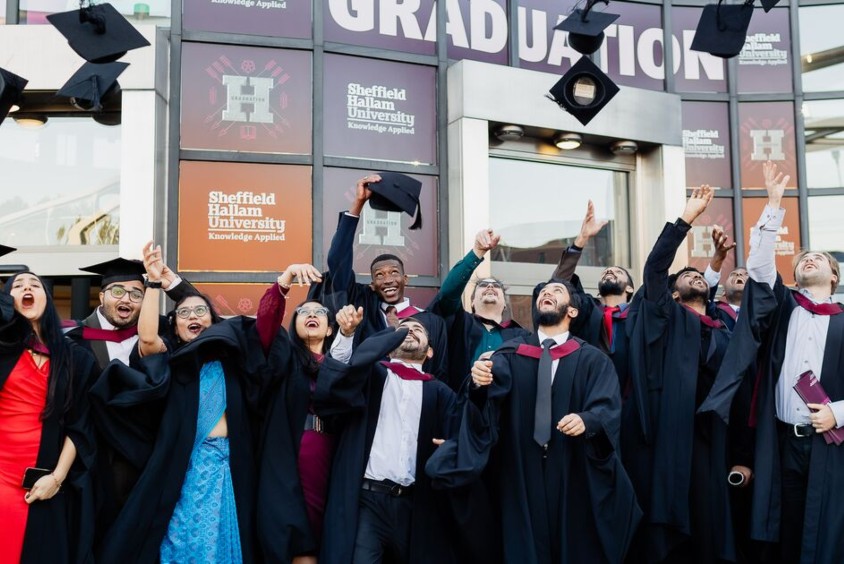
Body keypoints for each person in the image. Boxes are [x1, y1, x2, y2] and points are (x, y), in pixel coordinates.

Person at [429, 279, 641, 563]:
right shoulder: (510, 353)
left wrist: (587, 420)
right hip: (519, 468)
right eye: (542, 292)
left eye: (556, 291)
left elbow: (607, 406)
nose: (546, 294)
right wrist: (479, 383)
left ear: (573, 311)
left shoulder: (593, 360)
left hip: (571, 468)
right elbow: (487, 403)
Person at [89, 249, 276, 563]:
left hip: (227, 468)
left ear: (214, 321)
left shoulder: (231, 355)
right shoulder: (173, 360)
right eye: (184, 314)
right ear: (173, 326)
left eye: (201, 312)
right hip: (184, 466)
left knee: (222, 539)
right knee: (179, 537)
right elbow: (147, 337)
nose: (193, 317)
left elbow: (221, 317)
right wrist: (151, 283)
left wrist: (172, 280)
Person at [701, 161, 844, 564]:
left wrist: (837, 412)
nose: (809, 260)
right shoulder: (784, 305)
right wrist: (774, 205)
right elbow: (762, 268)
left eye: (818, 258)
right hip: (782, 441)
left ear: (834, 275)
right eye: (803, 259)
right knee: (786, 531)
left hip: (833, 443)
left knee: (830, 532)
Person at [623, 185, 736, 563]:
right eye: (686, 276)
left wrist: (717, 261)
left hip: (708, 442)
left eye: (699, 276)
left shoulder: (722, 329)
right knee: (667, 535)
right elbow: (656, 268)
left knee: (708, 527)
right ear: (672, 294)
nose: (695, 277)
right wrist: (686, 219)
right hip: (667, 437)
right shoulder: (666, 317)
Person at [314, 318, 459, 563]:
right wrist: (347, 335)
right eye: (403, 329)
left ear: (431, 351)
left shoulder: (442, 393)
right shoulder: (371, 375)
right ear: (389, 345)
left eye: (418, 329)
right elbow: (337, 382)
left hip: (415, 505)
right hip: (368, 501)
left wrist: (451, 447)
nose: (410, 331)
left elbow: (457, 438)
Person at [256, 264, 360, 563]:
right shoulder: (283, 359)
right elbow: (265, 323)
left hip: (332, 456)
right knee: (292, 533)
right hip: (290, 455)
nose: (312, 315)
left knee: (325, 534)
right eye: (303, 313)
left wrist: (348, 335)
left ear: (331, 329)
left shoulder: (342, 360)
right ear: (294, 325)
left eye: (320, 313)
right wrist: (285, 280)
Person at [0, 268, 98, 563]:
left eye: (36, 285)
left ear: (48, 299)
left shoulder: (75, 357)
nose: (27, 288)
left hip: (42, 478)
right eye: (17, 286)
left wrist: (56, 478)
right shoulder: (2, 351)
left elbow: (81, 424)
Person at [313, 173, 448, 380]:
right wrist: (358, 203)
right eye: (379, 275)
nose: (387, 280)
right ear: (372, 285)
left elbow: (439, 371)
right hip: (369, 400)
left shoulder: (431, 321)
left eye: (394, 273)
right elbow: (338, 260)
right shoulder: (363, 310)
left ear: (406, 279)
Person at [428, 227, 529, 390]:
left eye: (496, 286)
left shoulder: (521, 336)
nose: (490, 286)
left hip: (505, 412)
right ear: (472, 301)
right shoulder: (458, 323)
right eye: (483, 285)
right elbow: (447, 294)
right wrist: (477, 252)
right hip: (462, 408)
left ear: (504, 304)